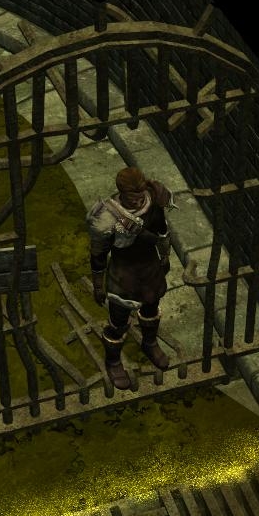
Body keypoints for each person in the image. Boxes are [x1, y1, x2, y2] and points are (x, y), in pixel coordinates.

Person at [86, 166, 176, 389]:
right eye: (131, 196)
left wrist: (164, 257)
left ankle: (149, 343)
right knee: (118, 323)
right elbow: (98, 254)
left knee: (151, 308)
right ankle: (113, 361)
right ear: (122, 192)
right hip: (123, 274)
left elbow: (162, 230)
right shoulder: (107, 216)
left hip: (150, 268)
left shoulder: (154, 199)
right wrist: (98, 285)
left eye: (139, 195)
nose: (137, 201)